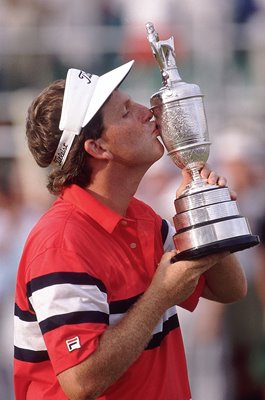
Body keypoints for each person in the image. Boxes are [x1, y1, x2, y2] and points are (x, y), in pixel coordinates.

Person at [13, 60, 247, 400]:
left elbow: (230, 289)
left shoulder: (141, 216)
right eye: (125, 112)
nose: (148, 111)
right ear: (98, 149)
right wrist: (159, 297)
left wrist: (201, 216)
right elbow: (81, 382)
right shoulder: (62, 241)